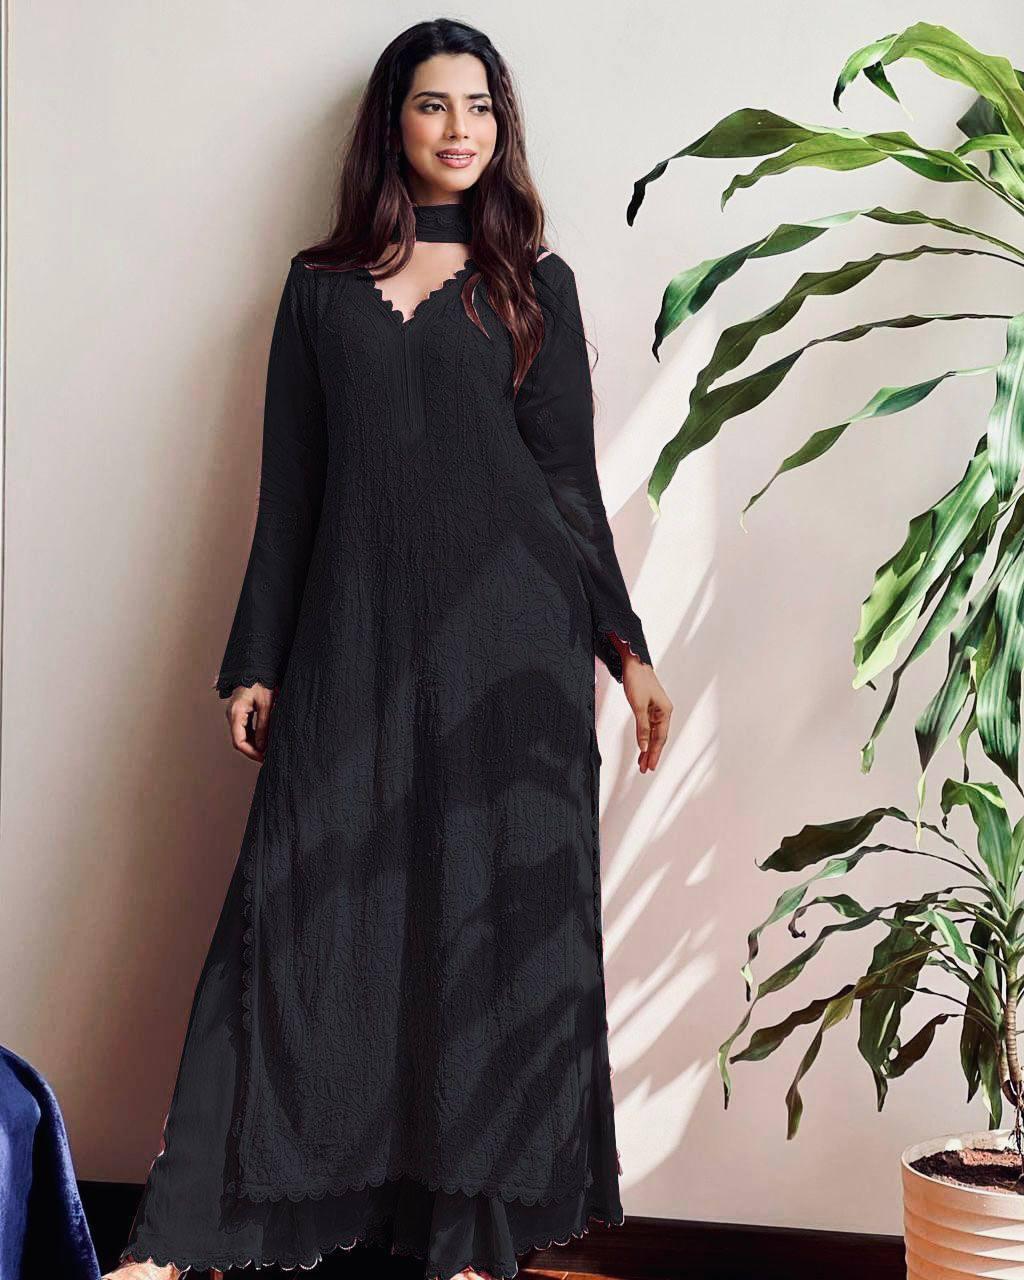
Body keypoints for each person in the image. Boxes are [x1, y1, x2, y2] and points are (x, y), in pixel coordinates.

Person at [106, 16, 672, 1280]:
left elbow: (567, 488)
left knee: (486, 927)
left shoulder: (534, 283)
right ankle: (171, 1237)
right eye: (433, 104)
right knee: (283, 920)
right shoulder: (318, 291)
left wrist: (624, 647)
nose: (460, 129)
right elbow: (291, 492)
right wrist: (255, 657)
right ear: (391, 123)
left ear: (500, 127)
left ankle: (468, 1242)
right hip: (351, 647)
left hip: (509, 659)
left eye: (480, 106)